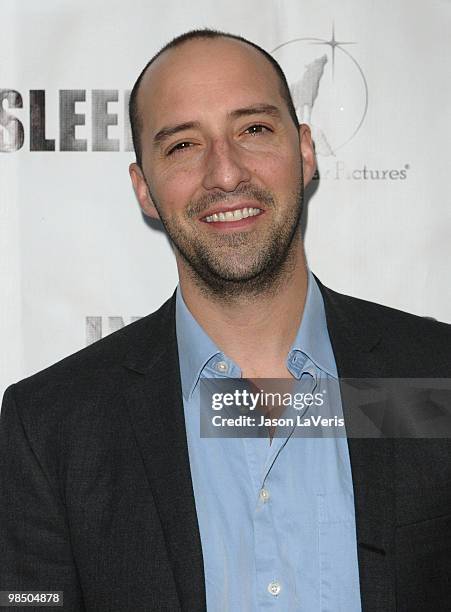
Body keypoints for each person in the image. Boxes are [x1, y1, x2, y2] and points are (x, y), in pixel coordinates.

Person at [0, 28, 450, 612]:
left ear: (305, 152)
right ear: (143, 189)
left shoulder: (436, 377)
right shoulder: (53, 428)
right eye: (183, 145)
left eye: (254, 130)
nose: (226, 173)